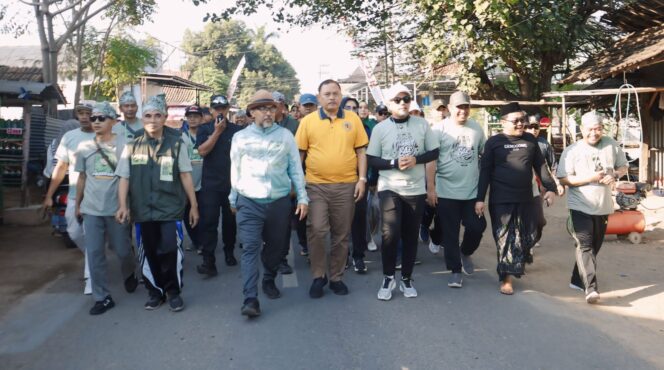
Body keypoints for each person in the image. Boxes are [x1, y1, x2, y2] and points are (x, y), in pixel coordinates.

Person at [115, 94, 199, 312]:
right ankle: (155, 292)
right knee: (149, 253)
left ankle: (173, 292)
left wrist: (194, 205)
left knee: (170, 251)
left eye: (157, 115)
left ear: (164, 117)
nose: (152, 120)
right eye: (148, 115)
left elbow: (186, 175)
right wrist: (123, 205)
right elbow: (124, 177)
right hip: (143, 211)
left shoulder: (176, 144)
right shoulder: (132, 145)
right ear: (143, 118)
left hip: (170, 209)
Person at [229, 90, 308, 318]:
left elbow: (295, 168)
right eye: (262, 108)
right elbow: (235, 169)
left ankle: (268, 277)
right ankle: (250, 298)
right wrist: (233, 198)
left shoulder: (285, 136)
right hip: (249, 202)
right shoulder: (240, 138)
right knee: (250, 248)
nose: (268, 112)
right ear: (251, 112)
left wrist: (302, 197)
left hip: (279, 202)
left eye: (271, 108)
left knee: (275, 248)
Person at [295, 79, 368, 298]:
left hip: (346, 185)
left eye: (335, 93)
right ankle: (319, 276)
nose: (332, 97)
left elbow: (361, 152)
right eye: (327, 94)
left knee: (341, 233)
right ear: (319, 98)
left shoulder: (353, 119)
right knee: (317, 230)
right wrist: (298, 187)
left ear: (340, 95)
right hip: (315, 185)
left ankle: (336, 277)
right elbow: (299, 154)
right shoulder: (308, 122)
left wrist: (362, 179)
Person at [367, 83, 439, 301]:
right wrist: (394, 163)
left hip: (415, 189)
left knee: (410, 236)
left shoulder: (422, 124)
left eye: (406, 99)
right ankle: (388, 277)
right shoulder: (380, 128)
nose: (402, 103)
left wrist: (416, 159)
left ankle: (406, 278)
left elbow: (434, 151)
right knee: (390, 233)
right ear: (388, 104)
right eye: (397, 100)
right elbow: (372, 159)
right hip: (390, 187)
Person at [476, 102, 557, 295]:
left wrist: (551, 188)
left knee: (533, 230)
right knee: (505, 238)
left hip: (526, 198)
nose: (521, 124)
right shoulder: (493, 143)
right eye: (517, 121)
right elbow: (485, 172)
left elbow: (541, 166)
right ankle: (506, 278)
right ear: (503, 123)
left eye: (523, 120)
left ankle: (521, 254)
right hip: (501, 199)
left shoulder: (530, 140)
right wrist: (480, 198)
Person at [557, 111, 628, 304]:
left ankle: (577, 279)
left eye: (597, 129)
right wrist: (590, 178)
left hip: (603, 206)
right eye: (590, 129)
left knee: (594, 246)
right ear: (582, 130)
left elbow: (623, 166)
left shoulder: (611, 145)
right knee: (585, 244)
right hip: (579, 205)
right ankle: (591, 288)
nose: (594, 133)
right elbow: (564, 178)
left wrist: (615, 175)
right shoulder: (572, 150)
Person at [74, 102, 137, 315]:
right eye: (93, 119)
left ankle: (129, 273)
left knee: (122, 250)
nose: (96, 122)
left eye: (101, 118)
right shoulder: (84, 148)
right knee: (94, 253)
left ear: (113, 121)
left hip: (116, 209)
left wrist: (125, 206)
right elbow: (82, 177)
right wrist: (77, 204)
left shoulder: (124, 144)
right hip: (91, 209)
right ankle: (102, 297)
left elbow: (126, 177)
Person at [427, 91, 487, 288]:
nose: (463, 110)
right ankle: (454, 270)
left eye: (466, 107)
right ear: (451, 108)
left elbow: (484, 156)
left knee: (477, 227)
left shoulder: (476, 128)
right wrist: (431, 188)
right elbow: (431, 161)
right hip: (446, 191)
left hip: (471, 192)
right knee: (450, 234)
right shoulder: (438, 130)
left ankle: (466, 252)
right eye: (459, 107)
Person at [43, 101, 96, 294]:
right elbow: (60, 168)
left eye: (87, 113)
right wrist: (49, 195)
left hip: (96, 195)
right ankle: (94, 254)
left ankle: (91, 279)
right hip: (74, 193)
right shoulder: (68, 137)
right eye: (80, 113)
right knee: (73, 232)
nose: (83, 116)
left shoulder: (102, 136)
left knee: (91, 235)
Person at [195, 94, 242, 276]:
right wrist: (217, 132)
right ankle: (209, 261)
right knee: (209, 223)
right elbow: (202, 151)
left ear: (228, 109)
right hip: (210, 185)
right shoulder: (204, 129)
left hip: (231, 184)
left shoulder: (238, 130)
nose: (219, 111)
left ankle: (229, 252)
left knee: (230, 222)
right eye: (216, 108)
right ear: (211, 110)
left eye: (223, 108)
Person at [342, 97, 369, 273]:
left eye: (355, 107)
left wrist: (364, 179)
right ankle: (343, 255)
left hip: (359, 181)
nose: (352, 110)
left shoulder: (366, 128)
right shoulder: (336, 126)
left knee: (359, 221)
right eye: (348, 107)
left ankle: (358, 257)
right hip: (339, 183)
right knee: (341, 223)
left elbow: (367, 155)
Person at [182, 105, 205, 253]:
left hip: (205, 184)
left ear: (201, 118)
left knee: (204, 215)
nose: (192, 119)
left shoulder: (207, 135)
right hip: (188, 183)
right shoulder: (180, 137)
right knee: (187, 214)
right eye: (189, 116)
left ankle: (203, 242)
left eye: (196, 116)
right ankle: (196, 241)